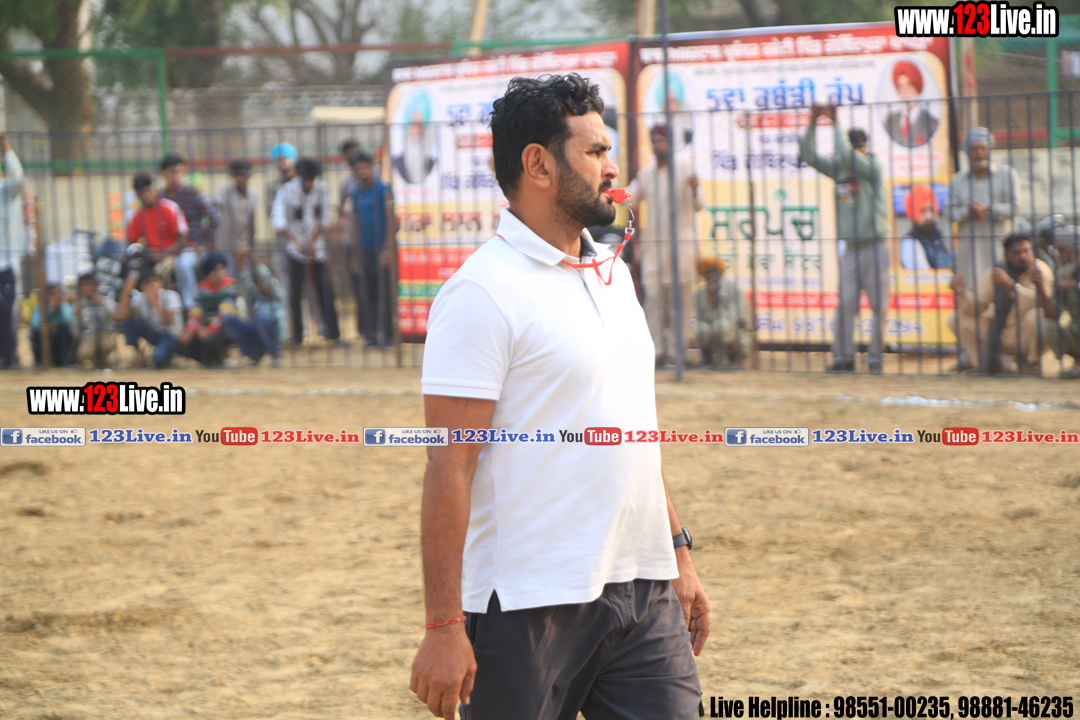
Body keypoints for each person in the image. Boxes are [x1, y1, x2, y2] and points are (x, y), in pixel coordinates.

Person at [412, 73, 708, 720]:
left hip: (642, 591)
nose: (612, 168)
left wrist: (677, 551)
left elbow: (633, 428)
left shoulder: (612, 274)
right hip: (526, 606)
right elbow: (449, 466)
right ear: (539, 165)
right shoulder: (481, 294)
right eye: (595, 151)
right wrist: (442, 626)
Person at [799, 103, 890, 374]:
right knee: (846, 303)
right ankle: (844, 358)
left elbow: (848, 156)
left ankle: (875, 359)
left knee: (879, 305)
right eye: (854, 147)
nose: (857, 152)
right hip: (851, 248)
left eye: (861, 146)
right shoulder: (838, 169)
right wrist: (813, 122)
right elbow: (807, 154)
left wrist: (836, 123)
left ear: (865, 147)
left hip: (876, 247)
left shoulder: (872, 166)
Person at [626, 123, 704, 367]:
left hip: (681, 249)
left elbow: (699, 205)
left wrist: (695, 189)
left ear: (671, 143)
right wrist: (609, 189)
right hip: (654, 249)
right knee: (654, 301)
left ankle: (678, 355)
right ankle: (657, 353)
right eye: (655, 141)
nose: (659, 145)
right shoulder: (647, 174)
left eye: (663, 141)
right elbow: (629, 198)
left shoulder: (686, 170)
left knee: (680, 303)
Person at [948, 234, 1055, 374]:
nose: (1023, 256)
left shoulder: (1040, 271)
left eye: (1026, 251)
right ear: (1006, 256)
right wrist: (962, 293)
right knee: (955, 318)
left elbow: (1040, 303)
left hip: (1028, 336)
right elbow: (977, 306)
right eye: (1016, 253)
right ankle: (987, 364)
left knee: (1037, 314)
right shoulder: (997, 272)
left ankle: (1032, 363)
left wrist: (1011, 286)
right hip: (1001, 334)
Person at [271, 156, 341, 346]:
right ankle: (297, 336)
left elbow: (325, 218)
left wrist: (312, 242)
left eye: (312, 179)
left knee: (325, 290)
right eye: (306, 179)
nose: (309, 183)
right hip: (295, 249)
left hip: (317, 248)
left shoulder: (322, 189)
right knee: (295, 294)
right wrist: (299, 243)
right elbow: (278, 220)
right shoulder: (286, 191)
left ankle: (333, 334)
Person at [949, 127, 1021, 287]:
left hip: (999, 247)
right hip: (969, 252)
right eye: (974, 149)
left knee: (1000, 289)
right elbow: (949, 212)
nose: (979, 153)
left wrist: (988, 209)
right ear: (967, 153)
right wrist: (966, 212)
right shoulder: (958, 180)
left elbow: (1015, 207)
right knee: (971, 292)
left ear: (990, 150)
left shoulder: (1006, 175)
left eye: (983, 148)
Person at [349, 149, 397, 348]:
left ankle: (388, 335)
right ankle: (372, 336)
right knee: (368, 294)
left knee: (385, 293)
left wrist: (387, 250)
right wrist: (355, 253)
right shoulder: (355, 193)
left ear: (372, 168)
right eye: (358, 168)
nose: (362, 171)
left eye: (365, 167)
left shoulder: (383, 190)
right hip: (365, 250)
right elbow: (355, 222)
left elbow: (391, 220)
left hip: (382, 249)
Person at [160, 152, 218, 310]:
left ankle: (191, 307)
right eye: (172, 172)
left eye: (180, 171)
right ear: (163, 174)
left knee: (183, 264)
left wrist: (199, 240)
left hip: (191, 247)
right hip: (167, 249)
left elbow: (214, 218)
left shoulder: (194, 193)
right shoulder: (161, 198)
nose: (176, 176)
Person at [116, 271, 185, 369]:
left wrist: (155, 301)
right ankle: (140, 357)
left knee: (159, 359)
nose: (152, 285)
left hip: (169, 335)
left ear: (161, 283)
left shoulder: (171, 295)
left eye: (155, 281)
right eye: (147, 282)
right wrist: (126, 291)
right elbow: (121, 317)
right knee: (128, 321)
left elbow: (168, 320)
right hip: (153, 333)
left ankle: (168, 356)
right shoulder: (141, 299)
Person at [695, 257, 751, 368]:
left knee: (721, 326)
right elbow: (702, 320)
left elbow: (733, 319)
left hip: (736, 334)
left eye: (715, 271)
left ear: (721, 272)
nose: (712, 275)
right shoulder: (699, 294)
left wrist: (715, 300)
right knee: (699, 328)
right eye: (708, 272)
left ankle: (738, 359)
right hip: (715, 338)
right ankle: (707, 359)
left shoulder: (735, 289)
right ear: (703, 275)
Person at [0, 133, 26, 369]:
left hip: (7, 262)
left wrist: (6, 148)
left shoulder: (7, 190)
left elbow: (18, 178)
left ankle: (10, 355)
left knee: (9, 310)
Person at [235, 248, 285, 367]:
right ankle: (254, 353)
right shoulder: (256, 294)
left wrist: (252, 258)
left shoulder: (276, 290)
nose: (260, 286)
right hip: (259, 328)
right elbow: (246, 284)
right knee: (232, 321)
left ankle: (276, 353)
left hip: (275, 329)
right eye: (258, 283)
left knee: (262, 318)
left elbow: (266, 278)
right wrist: (240, 262)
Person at [214, 158, 259, 275]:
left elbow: (252, 223)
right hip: (225, 244)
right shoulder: (223, 192)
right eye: (237, 175)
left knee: (245, 277)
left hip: (243, 247)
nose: (240, 178)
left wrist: (250, 247)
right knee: (227, 278)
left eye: (243, 175)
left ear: (249, 175)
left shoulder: (253, 194)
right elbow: (214, 215)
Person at [883, 60, 939, 148]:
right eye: (900, 86)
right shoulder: (890, 121)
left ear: (917, 86)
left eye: (909, 85)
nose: (904, 91)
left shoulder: (932, 123)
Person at [899, 185, 952, 270]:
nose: (929, 216)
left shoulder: (937, 239)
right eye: (922, 211)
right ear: (913, 214)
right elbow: (924, 276)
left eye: (932, 210)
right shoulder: (910, 244)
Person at [71, 273, 117, 368]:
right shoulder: (78, 305)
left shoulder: (104, 300)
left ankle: (103, 360)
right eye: (85, 285)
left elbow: (115, 315)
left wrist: (102, 303)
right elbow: (74, 331)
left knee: (107, 345)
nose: (88, 288)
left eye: (91, 284)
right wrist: (76, 316)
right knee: (85, 352)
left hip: (104, 333)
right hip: (88, 336)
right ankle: (95, 362)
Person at [29, 284, 73, 367]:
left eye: (59, 293)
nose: (58, 296)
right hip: (44, 346)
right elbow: (35, 325)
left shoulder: (65, 307)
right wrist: (50, 310)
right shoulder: (39, 308)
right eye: (53, 294)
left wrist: (57, 309)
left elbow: (69, 319)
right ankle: (42, 362)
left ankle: (65, 361)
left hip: (60, 345)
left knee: (64, 330)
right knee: (42, 332)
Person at [266, 142, 298, 218]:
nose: (282, 161)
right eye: (279, 159)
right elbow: (271, 212)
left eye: (286, 158)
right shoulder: (272, 187)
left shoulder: (301, 183)